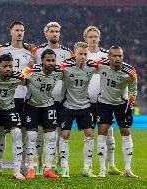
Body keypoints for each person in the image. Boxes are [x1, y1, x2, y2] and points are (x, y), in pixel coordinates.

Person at [0, 21, 34, 175]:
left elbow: (32, 72)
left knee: (22, 131)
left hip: (24, 96)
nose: (19, 33)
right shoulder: (1, 50)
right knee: (2, 130)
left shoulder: (30, 52)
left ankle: (22, 165)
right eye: (16, 30)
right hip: (6, 96)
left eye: (22, 30)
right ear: (11, 32)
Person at [32, 21, 74, 174]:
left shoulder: (68, 53)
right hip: (41, 97)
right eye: (52, 31)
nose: (55, 34)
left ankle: (56, 164)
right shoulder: (37, 51)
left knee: (56, 133)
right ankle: (39, 163)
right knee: (38, 132)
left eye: (57, 31)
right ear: (46, 33)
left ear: (60, 33)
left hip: (61, 98)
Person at [84, 26, 122, 175]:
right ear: (86, 38)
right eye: (90, 36)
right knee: (89, 135)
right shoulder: (81, 55)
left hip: (104, 101)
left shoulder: (107, 55)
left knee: (109, 134)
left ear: (99, 38)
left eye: (95, 36)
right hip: (86, 100)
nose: (93, 39)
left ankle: (111, 165)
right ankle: (87, 167)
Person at [96, 46, 138, 178]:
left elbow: (133, 91)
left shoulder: (130, 72)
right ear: (109, 57)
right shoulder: (101, 65)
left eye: (120, 56)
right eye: (114, 56)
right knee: (102, 132)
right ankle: (102, 169)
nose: (118, 58)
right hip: (104, 103)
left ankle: (127, 169)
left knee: (125, 132)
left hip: (121, 104)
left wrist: (130, 107)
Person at [58, 42, 97, 178]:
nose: (83, 56)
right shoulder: (65, 66)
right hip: (68, 105)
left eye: (85, 54)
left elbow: (106, 66)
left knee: (90, 134)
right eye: (80, 54)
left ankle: (87, 168)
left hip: (85, 106)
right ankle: (64, 168)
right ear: (75, 54)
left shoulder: (92, 66)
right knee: (64, 135)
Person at [23, 49, 62, 179]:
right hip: (32, 106)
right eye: (48, 60)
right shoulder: (32, 71)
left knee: (51, 138)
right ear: (42, 61)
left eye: (53, 60)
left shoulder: (58, 72)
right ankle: (30, 169)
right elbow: (21, 78)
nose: (51, 63)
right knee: (31, 137)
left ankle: (48, 169)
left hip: (48, 106)